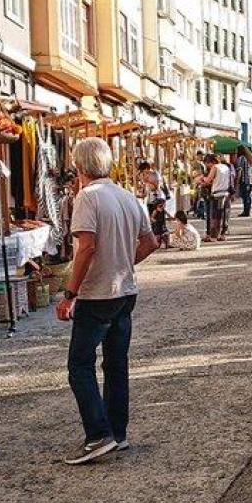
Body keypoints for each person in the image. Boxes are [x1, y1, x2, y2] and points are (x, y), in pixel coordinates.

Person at [57, 137, 160, 465]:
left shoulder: (88, 198)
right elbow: (151, 242)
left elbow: (85, 247)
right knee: (116, 364)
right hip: (124, 292)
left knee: (79, 365)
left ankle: (98, 435)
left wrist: (70, 293)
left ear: (79, 166)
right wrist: (124, 263)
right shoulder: (128, 196)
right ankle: (117, 432)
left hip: (97, 294)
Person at [202, 153, 232, 240]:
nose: (207, 166)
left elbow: (208, 180)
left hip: (216, 194)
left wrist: (201, 178)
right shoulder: (226, 167)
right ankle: (222, 234)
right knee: (224, 215)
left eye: (207, 164)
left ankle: (213, 235)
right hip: (226, 193)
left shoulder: (215, 167)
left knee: (215, 216)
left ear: (211, 162)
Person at [235, 147, 252, 216]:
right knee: (248, 196)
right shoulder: (249, 158)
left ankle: (245, 212)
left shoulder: (241, 158)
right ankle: (247, 211)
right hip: (250, 180)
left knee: (245, 197)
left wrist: (237, 181)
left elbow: (240, 170)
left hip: (244, 180)